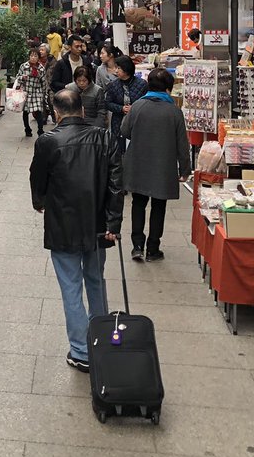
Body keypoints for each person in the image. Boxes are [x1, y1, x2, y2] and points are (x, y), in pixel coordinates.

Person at [30, 88, 123, 372]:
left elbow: (38, 178)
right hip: (97, 225)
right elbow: (116, 183)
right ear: (82, 110)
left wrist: (40, 202)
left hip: (63, 225)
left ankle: (81, 352)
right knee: (96, 280)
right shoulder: (105, 137)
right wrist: (113, 223)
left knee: (71, 287)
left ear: (56, 113)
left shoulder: (48, 141)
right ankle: (103, 337)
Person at [122, 68, 191, 262]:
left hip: (138, 163)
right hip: (163, 166)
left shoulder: (137, 106)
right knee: (159, 205)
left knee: (138, 203)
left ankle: (137, 246)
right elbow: (182, 144)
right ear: (168, 89)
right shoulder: (174, 112)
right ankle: (153, 248)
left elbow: (124, 131)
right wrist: (185, 170)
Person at [104, 55, 148, 144]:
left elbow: (147, 104)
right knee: (118, 147)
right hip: (118, 121)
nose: (116, 71)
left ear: (126, 69)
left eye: (119, 68)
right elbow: (108, 103)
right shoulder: (113, 85)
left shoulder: (142, 84)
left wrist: (135, 108)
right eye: (116, 68)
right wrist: (121, 108)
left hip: (137, 121)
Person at [14, 47, 48, 138]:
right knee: (25, 112)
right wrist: (23, 77)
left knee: (38, 111)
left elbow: (44, 82)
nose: (33, 57)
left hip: (37, 92)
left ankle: (40, 130)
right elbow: (18, 77)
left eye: (35, 56)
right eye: (31, 55)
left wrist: (44, 94)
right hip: (26, 92)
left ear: (38, 57)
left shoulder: (41, 68)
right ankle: (27, 129)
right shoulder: (23, 66)